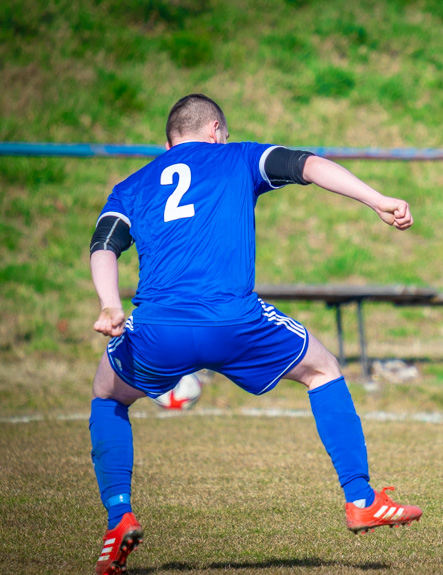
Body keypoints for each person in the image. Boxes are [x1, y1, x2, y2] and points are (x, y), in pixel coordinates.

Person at [88, 94, 422, 574]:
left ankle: (119, 516)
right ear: (217, 130)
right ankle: (360, 498)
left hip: (159, 326)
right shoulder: (238, 155)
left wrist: (111, 305)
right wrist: (377, 200)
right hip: (234, 321)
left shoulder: (133, 185)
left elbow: (103, 246)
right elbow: (307, 165)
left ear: (169, 144)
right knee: (323, 370)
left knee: (106, 396)